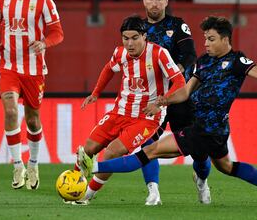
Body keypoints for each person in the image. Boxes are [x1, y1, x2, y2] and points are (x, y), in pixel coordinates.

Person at [79, 16, 257, 207]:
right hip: (214, 129)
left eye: (211, 39)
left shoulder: (238, 61)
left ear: (225, 39)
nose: (206, 44)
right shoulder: (204, 62)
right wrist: (164, 101)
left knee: (149, 152)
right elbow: (185, 93)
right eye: (205, 38)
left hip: (202, 130)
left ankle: (95, 167)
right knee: (227, 167)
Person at [73, 15, 186, 205]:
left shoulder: (159, 54)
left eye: (134, 38)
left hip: (146, 117)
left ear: (144, 36)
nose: (130, 43)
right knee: (88, 149)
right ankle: (72, 186)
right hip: (120, 111)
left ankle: (87, 194)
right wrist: (96, 93)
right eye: (126, 38)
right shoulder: (120, 53)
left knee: (111, 153)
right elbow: (109, 69)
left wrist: (161, 102)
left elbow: (180, 82)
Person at [0, 0, 64, 190]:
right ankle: (17, 164)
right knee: (10, 111)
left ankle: (34, 163)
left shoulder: (45, 1)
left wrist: (44, 43)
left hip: (34, 69)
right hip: (7, 65)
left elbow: (57, 32)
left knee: (32, 119)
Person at [139, 0, 211, 206]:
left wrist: (174, 72)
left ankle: (201, 180)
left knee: (199, 151)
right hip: (153, 98)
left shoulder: (178, 26)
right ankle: (153, 191)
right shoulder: (137, 30)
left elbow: (190, 56)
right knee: (147, 143)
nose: (154, 3)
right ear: (144, 0)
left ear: (166, 1)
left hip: (180, 96)